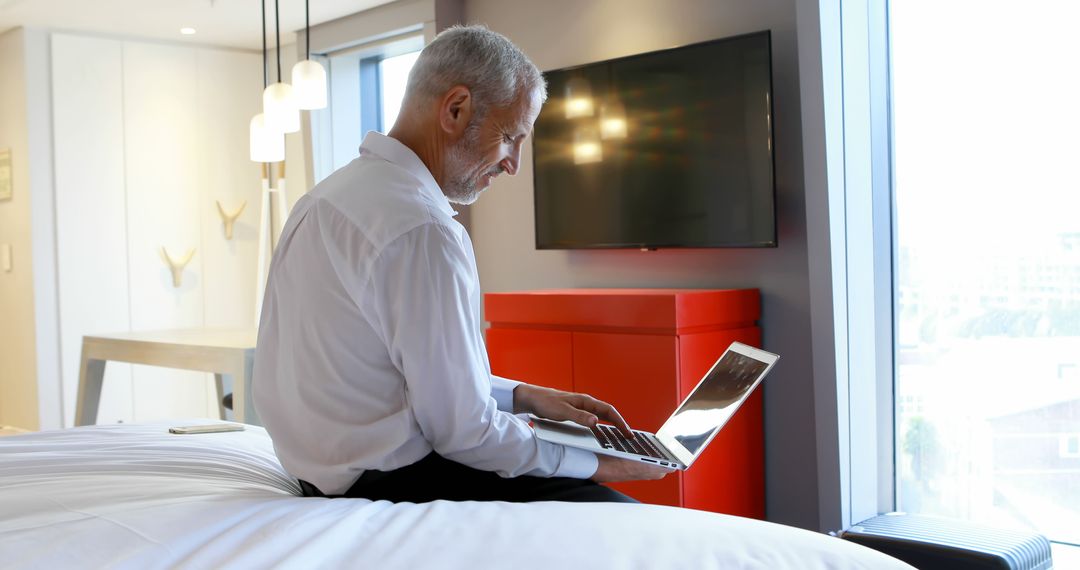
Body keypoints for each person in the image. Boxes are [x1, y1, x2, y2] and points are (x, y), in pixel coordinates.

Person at [253, 25, 669, 503]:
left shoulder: (323, 199)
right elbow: (465, 433)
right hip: (395, 482)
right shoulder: (422, 230)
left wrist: (522, 396)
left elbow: (386, 375)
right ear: (456, 109)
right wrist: (600, 462)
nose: (513, 164)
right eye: (511, 137)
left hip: (321, 472)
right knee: (627, 515)